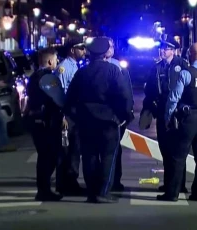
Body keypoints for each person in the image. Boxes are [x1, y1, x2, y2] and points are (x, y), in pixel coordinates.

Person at [64, 37, 134, 203]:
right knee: (108, 157)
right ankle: (103, 191)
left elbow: (70, 100)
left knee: (89, 156)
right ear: (104, 53)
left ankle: (91, 191)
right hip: (109, 121)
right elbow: (124, 96)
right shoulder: (113, 70)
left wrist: (78, 116)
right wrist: (123, 117)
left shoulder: (82, 72)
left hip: (86, 121)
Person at [157, 42, 197, 202]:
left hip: (188, 119)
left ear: (190, 55)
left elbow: (173, 98)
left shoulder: (186, 74)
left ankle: (172, 193)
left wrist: (168, 118)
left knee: (178, 157)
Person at [140, 36, 189, 193]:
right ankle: (169, 183)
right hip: (162, 112)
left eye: (165, 49)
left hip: (178, 113)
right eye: (160, 49)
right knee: (165, 150)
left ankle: (179, 185)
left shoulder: (182, 65)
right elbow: (150, 90)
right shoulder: (157, 67)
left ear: (173, 51)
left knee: (178, 151)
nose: (162, 51)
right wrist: (147, 110)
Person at [25, 47, 64, 201]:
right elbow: (58, 100)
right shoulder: (49, 78)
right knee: (51, 156)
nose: (57, 62)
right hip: (48, 122)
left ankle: (43, 189)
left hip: (36, 121)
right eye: (55, 59)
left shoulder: (33, 77)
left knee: (44, 156)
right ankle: (44, 189)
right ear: (49, 61)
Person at [55, 38, 87, 195]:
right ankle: (65, 184)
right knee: (67, 150)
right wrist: (62, 116)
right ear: (72, 50)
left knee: (75, 150)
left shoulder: (75, 66)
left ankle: (70, 181)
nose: (84, 51)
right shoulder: (64, 68)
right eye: (81, 48)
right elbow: (58, 94)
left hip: (75, 113)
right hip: (68, 115)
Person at [105, 36, 134, 191]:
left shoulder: (118, 66)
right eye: (107, 46)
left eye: (111, 46)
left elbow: (127, 91)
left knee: (116, 149)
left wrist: (127, 113)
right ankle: (104, 181)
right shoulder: (95, 66)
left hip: (116, 116)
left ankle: (115, 180)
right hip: (102, 115)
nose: (110, 49)